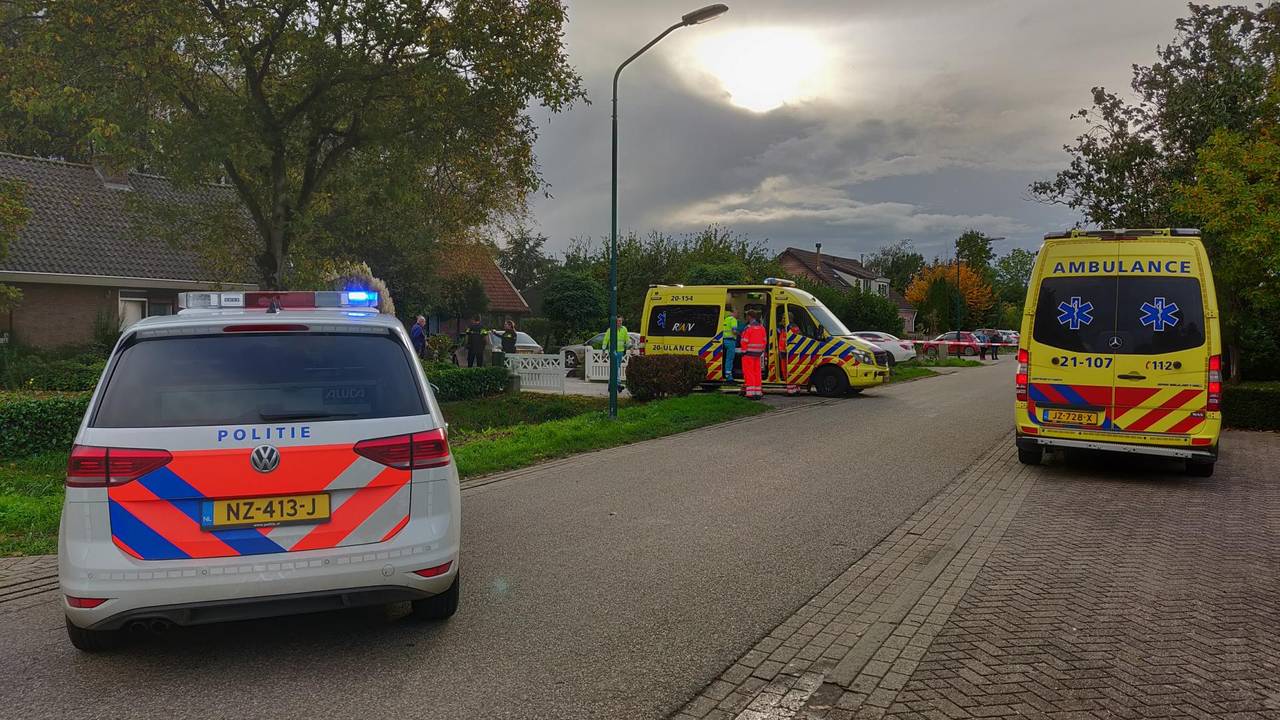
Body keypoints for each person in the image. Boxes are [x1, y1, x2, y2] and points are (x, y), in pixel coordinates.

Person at [739, 310, 767, 400]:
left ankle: (750, 393)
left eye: (747, 316)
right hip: (758, 354)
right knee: (757, 373)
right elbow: (764, 341)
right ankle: (758, 392)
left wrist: (743, 352)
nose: (746, 318)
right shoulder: (762, 328)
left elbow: (744, 341)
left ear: (750, 317)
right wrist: (761, 351)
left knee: (749, 373)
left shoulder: (748, 328)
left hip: (748, 354)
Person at [720, 307, 741, 383]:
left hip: (724, 341)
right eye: (737, 313)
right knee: (730, 359)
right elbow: (734, 331)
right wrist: (741, 334)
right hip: (731, 341)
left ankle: (726, 374)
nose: (738, 314)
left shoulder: (726, 319)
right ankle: (729, 377)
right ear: (733, 313)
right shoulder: (733, 320)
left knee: (726, 359)